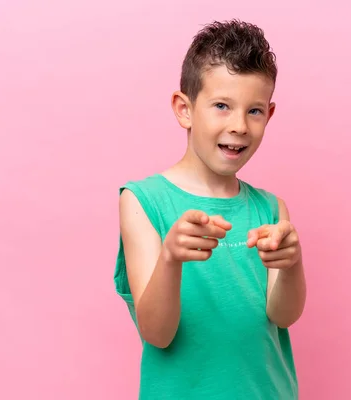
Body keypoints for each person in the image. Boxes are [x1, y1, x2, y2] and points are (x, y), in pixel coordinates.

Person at [114, 19, 306, 399]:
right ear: (184, 109)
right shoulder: (142, 200)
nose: (239, 126)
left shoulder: (271, 207)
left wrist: (292, 262)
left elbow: (283, 315)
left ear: (269, 115)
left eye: (254, 111)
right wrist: (170, 258)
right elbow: (157, 333)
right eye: (222, 106)